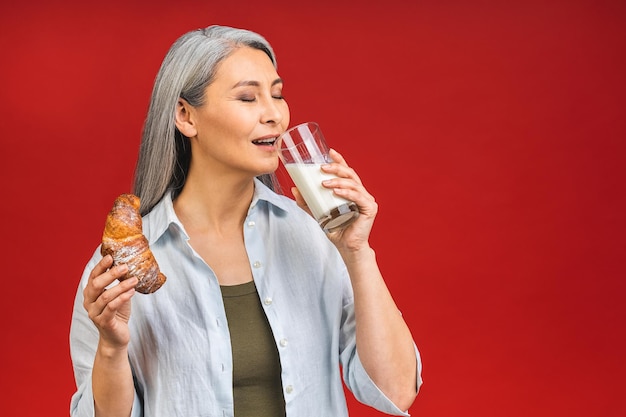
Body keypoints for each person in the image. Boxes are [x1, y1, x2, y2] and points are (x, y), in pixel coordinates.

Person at [69, 25, 422, 417]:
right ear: (186, 116)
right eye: (248, 97)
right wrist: (112, 348)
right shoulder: (121, 274)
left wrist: (357, 251)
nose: (274, 115)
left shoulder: (313, 235)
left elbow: (397, 391)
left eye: (277, 94)